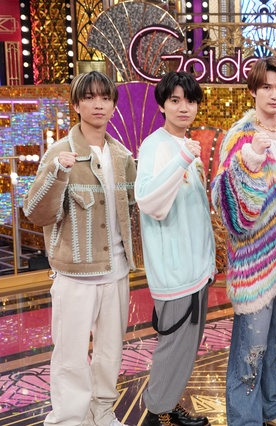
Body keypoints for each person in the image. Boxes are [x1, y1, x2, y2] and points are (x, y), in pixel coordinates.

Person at [23, 71, 136, 426]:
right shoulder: (60, 152)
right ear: (76, 104)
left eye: (105, 97)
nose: (98, 104)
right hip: (74, 274)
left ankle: (102, 413)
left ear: (113, 105)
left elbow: (133, 212)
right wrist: (58, 173)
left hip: (116, 270)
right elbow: (35, 212)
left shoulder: (122, 156)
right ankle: (68, 420)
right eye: (89, 97)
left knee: (110, 352)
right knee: (70, 357)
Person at [211, 57, 276, 426]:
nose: (274, 94)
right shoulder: (239, 135)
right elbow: (226, 201)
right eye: (266, 87)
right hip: (254, 258)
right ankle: (244, 417)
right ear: (253, 90)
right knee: (251, 344)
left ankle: (272, 406)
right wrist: (250, 159)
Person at [135, 71, 215, 426]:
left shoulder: (185, 143)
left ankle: (167, 403)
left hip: (195, 269)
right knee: (174, 346)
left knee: (185, 346)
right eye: (175, 100)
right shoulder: (156, 146)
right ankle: (157, 412)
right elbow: (149, 201)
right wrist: (181, 159)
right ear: (162, 105)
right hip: (175, 272)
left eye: (191, 101)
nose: (184, 107)